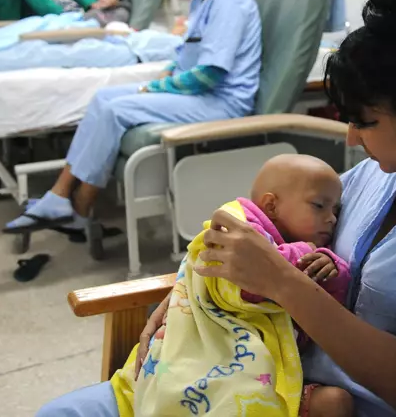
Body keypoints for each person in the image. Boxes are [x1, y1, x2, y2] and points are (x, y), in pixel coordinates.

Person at [36, 0, 396, 417]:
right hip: (251, 371)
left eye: (363, 121)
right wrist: (184, 297)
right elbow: (271, 233)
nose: (352, 138)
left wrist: (282, 283)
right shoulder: (383, 174)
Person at [3, 0, 263, 236]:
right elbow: (186, 57)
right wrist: (165, 79)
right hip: (200, 94)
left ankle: (80, 207)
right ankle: (59, 196)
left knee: (116, 109)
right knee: (102, 97)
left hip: (222, 102)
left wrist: (152, 87)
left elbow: (210, 73)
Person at [113, 155, 353, 417]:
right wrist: (303, 252)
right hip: (216, 357)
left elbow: (327, 307)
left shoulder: (313, 252)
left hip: (270, 367)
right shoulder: (231, 227)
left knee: (335, 404)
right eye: (319, 206)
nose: (331, 218)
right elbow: (244, 283)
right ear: (271, 205)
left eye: (336, 211)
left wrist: (332, 268)